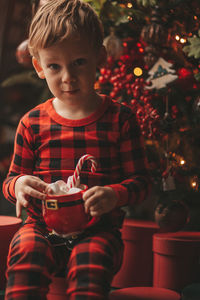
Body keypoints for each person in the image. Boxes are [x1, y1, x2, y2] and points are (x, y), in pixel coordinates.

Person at [3, 0, 151, 299]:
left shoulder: (120, 119)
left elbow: (141, 183)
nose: (67, 77)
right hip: (40, 228)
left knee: (90, 268)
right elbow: (9, 182)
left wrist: (114, 194)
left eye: (79, 62)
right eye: (54, 66)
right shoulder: (31, 123)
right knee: (25, 255)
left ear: (100, 56)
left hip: (97, 231)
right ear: (39, 67)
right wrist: (18, 185)